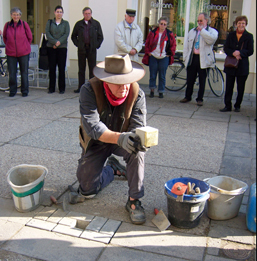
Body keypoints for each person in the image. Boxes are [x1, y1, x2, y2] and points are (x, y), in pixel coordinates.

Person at [75, 54, 147, 225]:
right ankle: (110, 170)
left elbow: (138, 127)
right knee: (87, 191)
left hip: (124, 139)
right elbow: (92, 127)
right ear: (106, 80)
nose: (124, 87)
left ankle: (134, 201)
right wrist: (119, 138)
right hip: (97, 141)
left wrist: (141, 140)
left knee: (137, 150)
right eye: (118, 82)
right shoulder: (89, 89)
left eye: (127, 81)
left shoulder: (137, 93)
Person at [180, 13, 218, 106]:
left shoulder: (212, 31)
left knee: (202, 80)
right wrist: (185, 58)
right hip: (193, 57)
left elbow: (211, 40)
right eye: (198, 21)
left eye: (201, 20)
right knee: (190, 79)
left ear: (206, 20)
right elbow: (186, 46)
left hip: (204, 58)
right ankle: (187, 96)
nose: (199, 22)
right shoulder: (192, 31)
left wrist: (202, 31)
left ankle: (199, 99)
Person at [220, 16, 254, 112]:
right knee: (229, 87)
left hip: (242, 66)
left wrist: (240, 53)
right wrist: (233, 53)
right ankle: (227, 105)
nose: (241, 25)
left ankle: (237, 105)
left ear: (245, 24)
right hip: (231, 65)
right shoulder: (231, 35)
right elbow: (226, 48)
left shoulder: (249, 36)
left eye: (243, 23)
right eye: (239, 23)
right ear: (236, 24)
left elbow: (251, 51)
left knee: (240, 87)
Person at [142, 16, 176, 98]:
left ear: (166, 25)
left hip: (164, 57)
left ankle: (161, 91)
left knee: (162, 75)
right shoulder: (153, 33)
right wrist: (148, 52)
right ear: (159, 24)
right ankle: (152, 90)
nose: (163, 26)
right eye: (161, 24)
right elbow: (147, 43)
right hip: (153, 56)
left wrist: (170, 53)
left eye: (165, 24)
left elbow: (173, 45)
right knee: (152, 75)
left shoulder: (169, 34)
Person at [71, 7, 103, 93]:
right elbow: (73, 36)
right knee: (81, 69)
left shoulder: (96, 24)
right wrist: (78, 44)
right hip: (82, 49)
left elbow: (100, 37)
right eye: (86, 13)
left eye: (89, 13)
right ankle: (81, 87)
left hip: (92, 49)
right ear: (83, 14)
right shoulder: (79, 24)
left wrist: (96, 45)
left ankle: (92, 88)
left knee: (92, 69)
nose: (87, 15)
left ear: (91, 14)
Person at [3, 7, 32, 97]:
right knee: (12, 72)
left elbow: (30, 37)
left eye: (18, 14)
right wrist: (9, 45)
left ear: (20, 15)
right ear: (11, 15)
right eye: (14, 14)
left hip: (23, 53)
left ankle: (24, 91)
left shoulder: (24, 24)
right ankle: (12, 90)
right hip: (11, 53)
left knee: (24, 72)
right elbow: (5, 37)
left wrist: (25, 46)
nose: (16, 16)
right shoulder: (7, 25)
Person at [45, 5, 70, 94]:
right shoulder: (50, 22)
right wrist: (54, 42)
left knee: (61, 68)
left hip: (62, 48)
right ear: (55, 12)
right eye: (57, 12)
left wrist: (59, 43)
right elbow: (47, 33)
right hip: (51, 47)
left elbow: (66, 34)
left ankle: (62, 88)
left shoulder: (66, 23)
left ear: (62, 13)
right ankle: (51, 88)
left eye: (60, 12)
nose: (59, 13)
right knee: (52, 68)